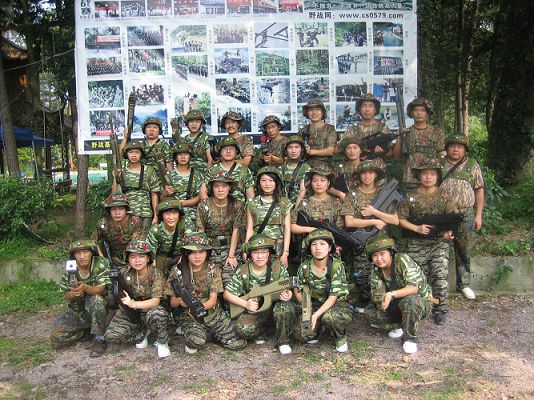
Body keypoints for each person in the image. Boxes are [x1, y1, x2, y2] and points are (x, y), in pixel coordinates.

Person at [165, 233, 246, 354]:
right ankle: (197, 331)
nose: (197, 256)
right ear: (186, 253)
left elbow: (212, 300)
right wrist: (181, 301)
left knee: (238, 344)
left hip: (213, 314)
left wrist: (199, 308)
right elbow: (172, 303)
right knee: (197, 341)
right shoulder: (177, 272)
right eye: (193, 252)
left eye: (201, 252)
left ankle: (207, 331)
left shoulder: (213, 269)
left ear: (207, 253)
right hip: (190, 316)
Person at [398, 159, 456, 325]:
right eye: (424, 174)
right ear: (419, 176)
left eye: (432, 174)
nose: (428, 177)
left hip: (438, 243)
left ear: (438, 176)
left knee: (440, 275)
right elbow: (400, 219)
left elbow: (453, 219)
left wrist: (448, 234)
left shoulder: (445, 196)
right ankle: (420, 307)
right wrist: (416, 228)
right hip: (416, 242)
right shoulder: (410, 197)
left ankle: (440, 309)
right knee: (415, 278)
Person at [223, 234, 296, 355]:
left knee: (285, 308)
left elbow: (287, 287)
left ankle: (283, 340)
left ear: (269, 253)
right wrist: (245, 304)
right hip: (257, 312)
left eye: (263, 252)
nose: (260, 256)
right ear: (250, 254)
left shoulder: (277, 267)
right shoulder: (244, 270)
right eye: (255, 252)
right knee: (242, 328)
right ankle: (262, 331)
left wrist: (288, 294)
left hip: (275, 308)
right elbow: (227, 294)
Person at [342, 161, 399, 310]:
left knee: (385, 274)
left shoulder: (383, 194)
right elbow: (349, 221)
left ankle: (385, 304)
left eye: (371, 172)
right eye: (364, 173)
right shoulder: (352, 195)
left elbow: (395, 220)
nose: (367, 176)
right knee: (362, 277)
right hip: (361, 243)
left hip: (381, 244)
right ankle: (369, 303)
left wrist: (375, 212)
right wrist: (373, 221)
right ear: (359, 175)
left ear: (376, 175)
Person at [364, 235, 433, 354]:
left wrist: (391, 294)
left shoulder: (401, 260)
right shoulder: (376, 271)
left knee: (410, 302)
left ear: (390, 252)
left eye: (382, 254)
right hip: (397, 302)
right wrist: (381, 302)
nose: (379, 259)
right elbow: (377, 296)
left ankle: (410, 339)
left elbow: (414, 288)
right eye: (375, 256)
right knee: (370, 314)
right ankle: (400, 325)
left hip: (420, 301)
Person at [104, 240, 170, 358]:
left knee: (158, 314)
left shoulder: (156, 273)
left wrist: (133, 304)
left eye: (141, 256)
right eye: (133, 257)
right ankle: (142, 334)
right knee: (111, 335)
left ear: (148, 258)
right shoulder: (123, 273)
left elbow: (156, 301)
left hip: (151, 311)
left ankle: (162, 342)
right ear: (128, 259)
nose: (137, 260)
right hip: (131, 312)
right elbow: (115, 296)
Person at [440, 134, 484, 300]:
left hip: (465, 214)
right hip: (442, 214)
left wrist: (478, 215)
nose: (455, 149)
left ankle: (464, 283)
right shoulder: (439, 164)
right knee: (440, 247)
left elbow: (479, 190)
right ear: (447, 148)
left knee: (463, 249)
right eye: (452, 146)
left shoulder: (472, 165)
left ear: (465, 149)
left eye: (460, 147)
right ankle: (439, 283)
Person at [293, 230, 352, 353]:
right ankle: (318, 330)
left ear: (329, 248)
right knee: (301, 334)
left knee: (330, 317)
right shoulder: (304, 266)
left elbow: (333, 297)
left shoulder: (336, 266)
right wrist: (305, 306)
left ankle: (340, 337)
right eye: (314, 244)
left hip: (336, 305)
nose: (318, 248)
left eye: (322, 244)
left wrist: (315, 315)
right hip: (315, 305)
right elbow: (297, 289)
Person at [50, 239, 110, 357]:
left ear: (91, 252)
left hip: (95, 306)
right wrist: (73, 293)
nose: (82, 256)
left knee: (97, 299)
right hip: (77, 309)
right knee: (57, 339)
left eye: (85, 252)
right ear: (74, 255)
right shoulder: (70, 267)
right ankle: (85, 330)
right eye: (78, 253)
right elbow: (66, 294)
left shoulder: (100, 263)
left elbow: (100, 289)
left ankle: (100, 338)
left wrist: (85, 288)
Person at [197, 171, 245, 286]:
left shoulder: (237, 205)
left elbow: (236, 230)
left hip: (231, 248)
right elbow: (201, 232)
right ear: (211, 188)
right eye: (216, 186)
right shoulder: (204, 206)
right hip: (211, 250)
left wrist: (231, 256)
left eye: (224, 186)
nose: (220, 190)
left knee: (230, 283)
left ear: (229, 187)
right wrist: (204, 256)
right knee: (211, 283)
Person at [392, 97, 446, 191]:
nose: (419, 113)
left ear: (428, 113)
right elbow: (396, 157)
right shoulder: (406, 132)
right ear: (411, 113)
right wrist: (399, 138)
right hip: (410, 179)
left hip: (430, 179)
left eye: (422, 110)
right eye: (416, 110)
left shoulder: (437, 132)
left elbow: (442, 154)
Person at [246, 166, 291, 267]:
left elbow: (287, 229)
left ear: (276, 183)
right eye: (263, 180)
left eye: (271, 180)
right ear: (259, 183)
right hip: (258, 247)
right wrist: (246, 249)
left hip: (278, 249)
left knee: (278, 275)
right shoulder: (252, 203)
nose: (267, 184)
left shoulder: (284, 202)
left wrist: (285, 253)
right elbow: (250, 229)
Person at [116, 141, 161, 232]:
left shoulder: (149, 170)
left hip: (145, 214)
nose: (134, 155)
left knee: (144, 239)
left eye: (137, 152)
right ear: (127, 154)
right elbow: (115, 194)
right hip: (127, 214)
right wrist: (115, 178)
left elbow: (154, 194)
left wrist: (156, 216)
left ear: (141, 154)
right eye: (131, 152)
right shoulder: (122, 172)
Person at [93, 194, 144, 271]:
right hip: (112, 259)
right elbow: (93, 241)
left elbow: (137, 244)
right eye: (113, 209)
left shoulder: (134, 221)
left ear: (126, 209)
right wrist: (102, 259)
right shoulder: (103, 223)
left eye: (121, 209)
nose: (117, 213)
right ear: (109, 210)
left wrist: (132, 262)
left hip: (133, 258)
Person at [200, 137, 255, 203]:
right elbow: (203, 191)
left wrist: (248, 209)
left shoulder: (245, 171)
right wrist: (208, 206)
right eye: (225, 149)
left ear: (236, 152)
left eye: (231, 148)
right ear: (220, 152)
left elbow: (250, 196)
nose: (228, 151)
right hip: (217, 207)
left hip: (238, 207)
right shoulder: (212, 170)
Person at [161, 143, 203, 227]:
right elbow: (161, 198)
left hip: (192, 214)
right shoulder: (169, 175)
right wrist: (166, 193)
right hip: (172, 215)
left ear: (190, 156)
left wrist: (184, 203)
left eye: (186, 154)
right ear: (176, 157)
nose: (183, 157)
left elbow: (200, 197)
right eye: (180, 154)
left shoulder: (197, 175)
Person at [342, 93, 392, 161]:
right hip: (358, 167)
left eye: (370, 106)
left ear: (375, 109)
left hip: (377, 166)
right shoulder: (353, 129)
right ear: (359, 109)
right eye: (364, 106)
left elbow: (390, 154)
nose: (367, 109)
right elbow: (340, 149)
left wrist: (382, 153)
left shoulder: (383, 128)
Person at [147, 199, 187, 277]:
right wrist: (155, 271)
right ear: (162, 215)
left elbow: (191, 246)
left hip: (181, 257)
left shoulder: (185, 224)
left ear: (179, 214)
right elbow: (152, 254)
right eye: (167, 213)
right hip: (162, 258)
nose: (171, 217)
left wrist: (181, 264)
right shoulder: (156, 229)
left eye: (174, 213)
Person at [298, 99, 336, 169]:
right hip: (305, 165)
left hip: (324, 165)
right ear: (307, 113)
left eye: (317, 109)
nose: (314, 113)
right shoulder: (303, 130)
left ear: (322, 112)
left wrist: (310, 151)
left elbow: (330, 151)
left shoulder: (329, 128)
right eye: (311, 110)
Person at [279, 135, 311, 205]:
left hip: (299, 205)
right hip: (284, 205)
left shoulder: (306, 168)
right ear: (286, 150)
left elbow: (303, 192)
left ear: (301, 150)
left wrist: (296, 209)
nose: (293, 151)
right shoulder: (282, 168)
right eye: (290, 147)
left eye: (296, 147)